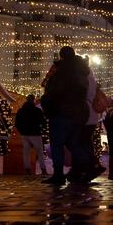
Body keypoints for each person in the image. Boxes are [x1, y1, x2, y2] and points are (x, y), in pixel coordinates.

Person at [40, 47, 89, 186]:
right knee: (73, 143)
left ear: (62, 56)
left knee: (57, 144)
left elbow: (54, 91)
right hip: (79, 113)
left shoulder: (62, 71)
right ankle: (87, 166)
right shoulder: (82, 71)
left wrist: (45, 101)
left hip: (61, 112)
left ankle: (58, 174)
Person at [15, 94, 48, 175]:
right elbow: (43, 122)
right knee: (40, 152)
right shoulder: (37, 110)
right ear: (33, 100)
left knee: (26, 153)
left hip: (25, 134)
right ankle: (43, 169)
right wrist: (41, 128)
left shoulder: (20, 111)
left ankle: (27, 169)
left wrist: (21, 131)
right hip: (35, 133)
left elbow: (17, 123)